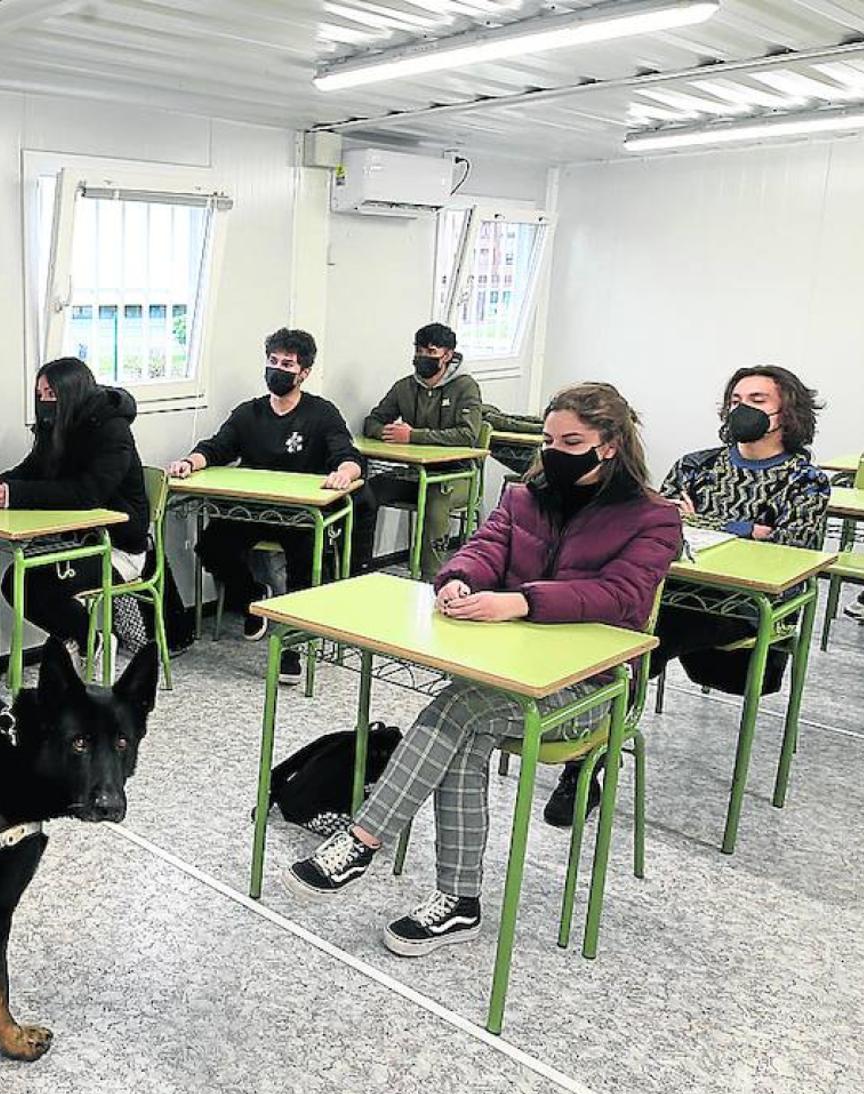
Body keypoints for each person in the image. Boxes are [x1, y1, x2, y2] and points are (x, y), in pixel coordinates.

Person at [285, 382, 680, 957]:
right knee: (463, 731)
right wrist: (458, 581)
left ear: (611, 444)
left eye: (572, 441)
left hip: (592, 688)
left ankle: (364, 839)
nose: (554, 452)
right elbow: (483, 548)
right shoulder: (524, 496)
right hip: (504, 671)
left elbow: (621, 596)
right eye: (548, 440)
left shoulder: (654, 517)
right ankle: (458, 902)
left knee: (460, 709)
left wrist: (521, 602)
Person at [543, 365, 830, 826]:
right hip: (679, 589)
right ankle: (580, 730)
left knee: (652, 631)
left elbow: (793, 550)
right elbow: (659, 526)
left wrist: (710, 522)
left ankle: (586, 760)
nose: (742, 409)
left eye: (757, 401)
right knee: (620, 613)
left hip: (749, 608)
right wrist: (749, 530)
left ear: (785, 412)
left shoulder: (805, 481)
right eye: (735, 400)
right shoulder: (697, 465)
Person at [166, 328, 362, 684]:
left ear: (304, 372)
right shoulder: (249, 413)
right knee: (211, 545)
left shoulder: (321, 413)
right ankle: (253, 597)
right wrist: (190, 462)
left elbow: (348, 455)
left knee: (304, 562)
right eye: (273, 361)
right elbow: (217, 447)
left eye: (287, 364)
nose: (278, 369)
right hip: (254, 511)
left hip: (302, 515)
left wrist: (344, 474)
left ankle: (292, 645)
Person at [0, 357, 190, 661]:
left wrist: (15, 495)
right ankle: (88, 639)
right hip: (80, 540)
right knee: (18, 580)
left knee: (30, 583)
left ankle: (91, 640)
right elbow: (34, 467)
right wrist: (0, 482)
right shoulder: (59, 425)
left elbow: (88, 493)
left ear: (72, 393)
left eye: (51, 394)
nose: (44, 402)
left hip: (118, 547)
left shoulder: (112, 431)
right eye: (39, 395)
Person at [359, 322, 484, 578]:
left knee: (436, 496)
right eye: (418, 351)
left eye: (431, 351)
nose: (422, 357)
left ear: (447, 355)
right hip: (416, 473)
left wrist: (412, 436)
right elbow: (372, 420)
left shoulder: (465, 387)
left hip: (458, 477)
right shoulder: (405, 387)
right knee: (366, 491)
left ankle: (431, 578)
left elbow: (467, 435)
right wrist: (383, 432)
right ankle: (358, 569)